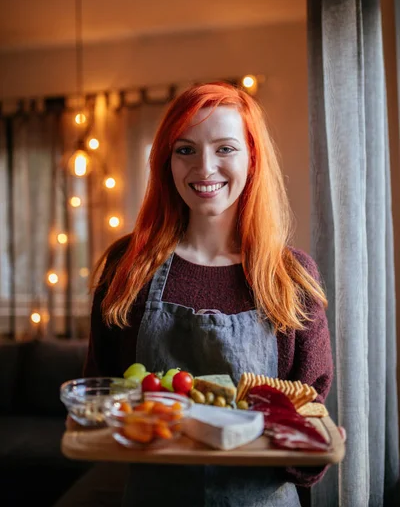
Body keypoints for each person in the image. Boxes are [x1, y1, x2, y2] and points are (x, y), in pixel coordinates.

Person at [65, 81, 335, 507]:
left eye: (225, 148)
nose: (204, 168)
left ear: (253, 158)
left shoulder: (292, 276)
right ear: (166, 163)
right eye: (185, 149)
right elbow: (105, 397)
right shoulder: (127, 265)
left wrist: (306, 451)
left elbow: (311, 410)